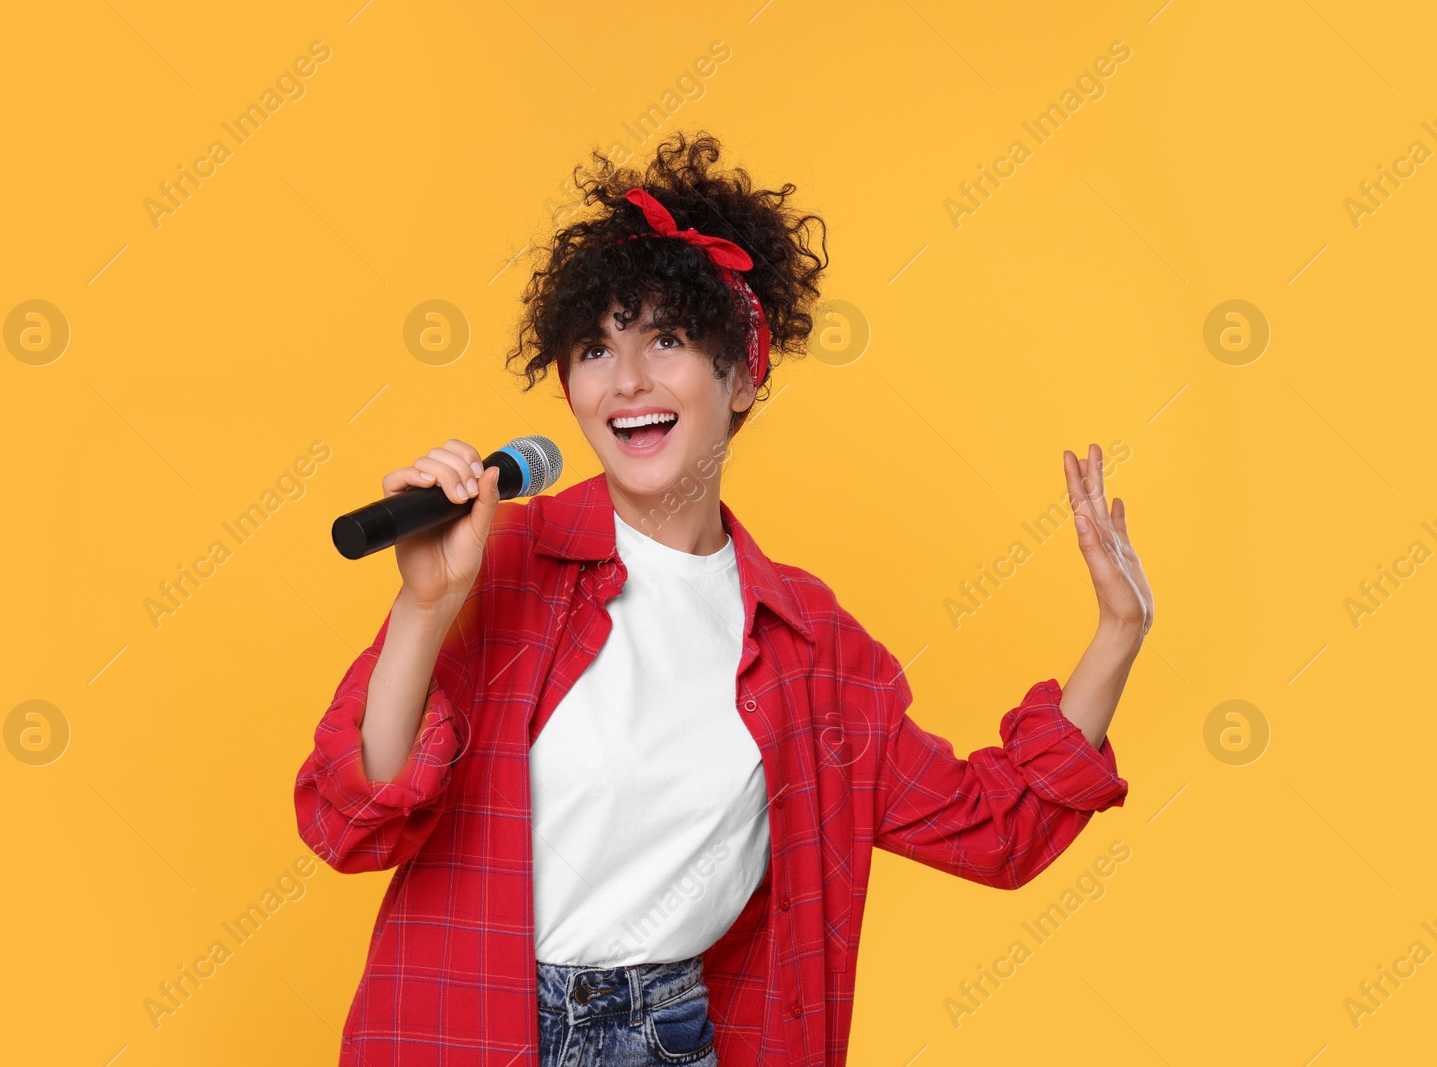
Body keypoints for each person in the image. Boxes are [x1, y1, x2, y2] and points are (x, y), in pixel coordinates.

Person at [295, 130, 1153, 1067]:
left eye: (666, 338)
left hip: (660, 1039)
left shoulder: (811, 646)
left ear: (743, 376)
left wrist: (1118, 632)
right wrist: (424, 606)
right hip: (462, 1029)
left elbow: (997, 831)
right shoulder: (497, 564)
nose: (627, 379)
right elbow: (358, 815)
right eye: (595, 346)